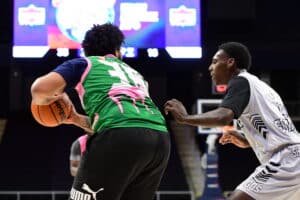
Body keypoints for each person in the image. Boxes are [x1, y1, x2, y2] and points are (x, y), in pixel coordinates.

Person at [31, 23, 170, 200]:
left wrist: (52, 101)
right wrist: (73, 117)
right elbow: (123, 121)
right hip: (160, 139)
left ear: (86, 51)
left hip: (120, 135)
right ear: (118, 51)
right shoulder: (137, 75)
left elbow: (39, 90)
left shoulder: (84, 63)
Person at [164, 42, 300, 200]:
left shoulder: (241, 81)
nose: (210, 67)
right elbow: (277, 133)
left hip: (288, 160)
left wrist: (185, 118)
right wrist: (246, 139)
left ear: (230, 62)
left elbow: (223, 117)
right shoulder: (262, 88)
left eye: (215, 62)